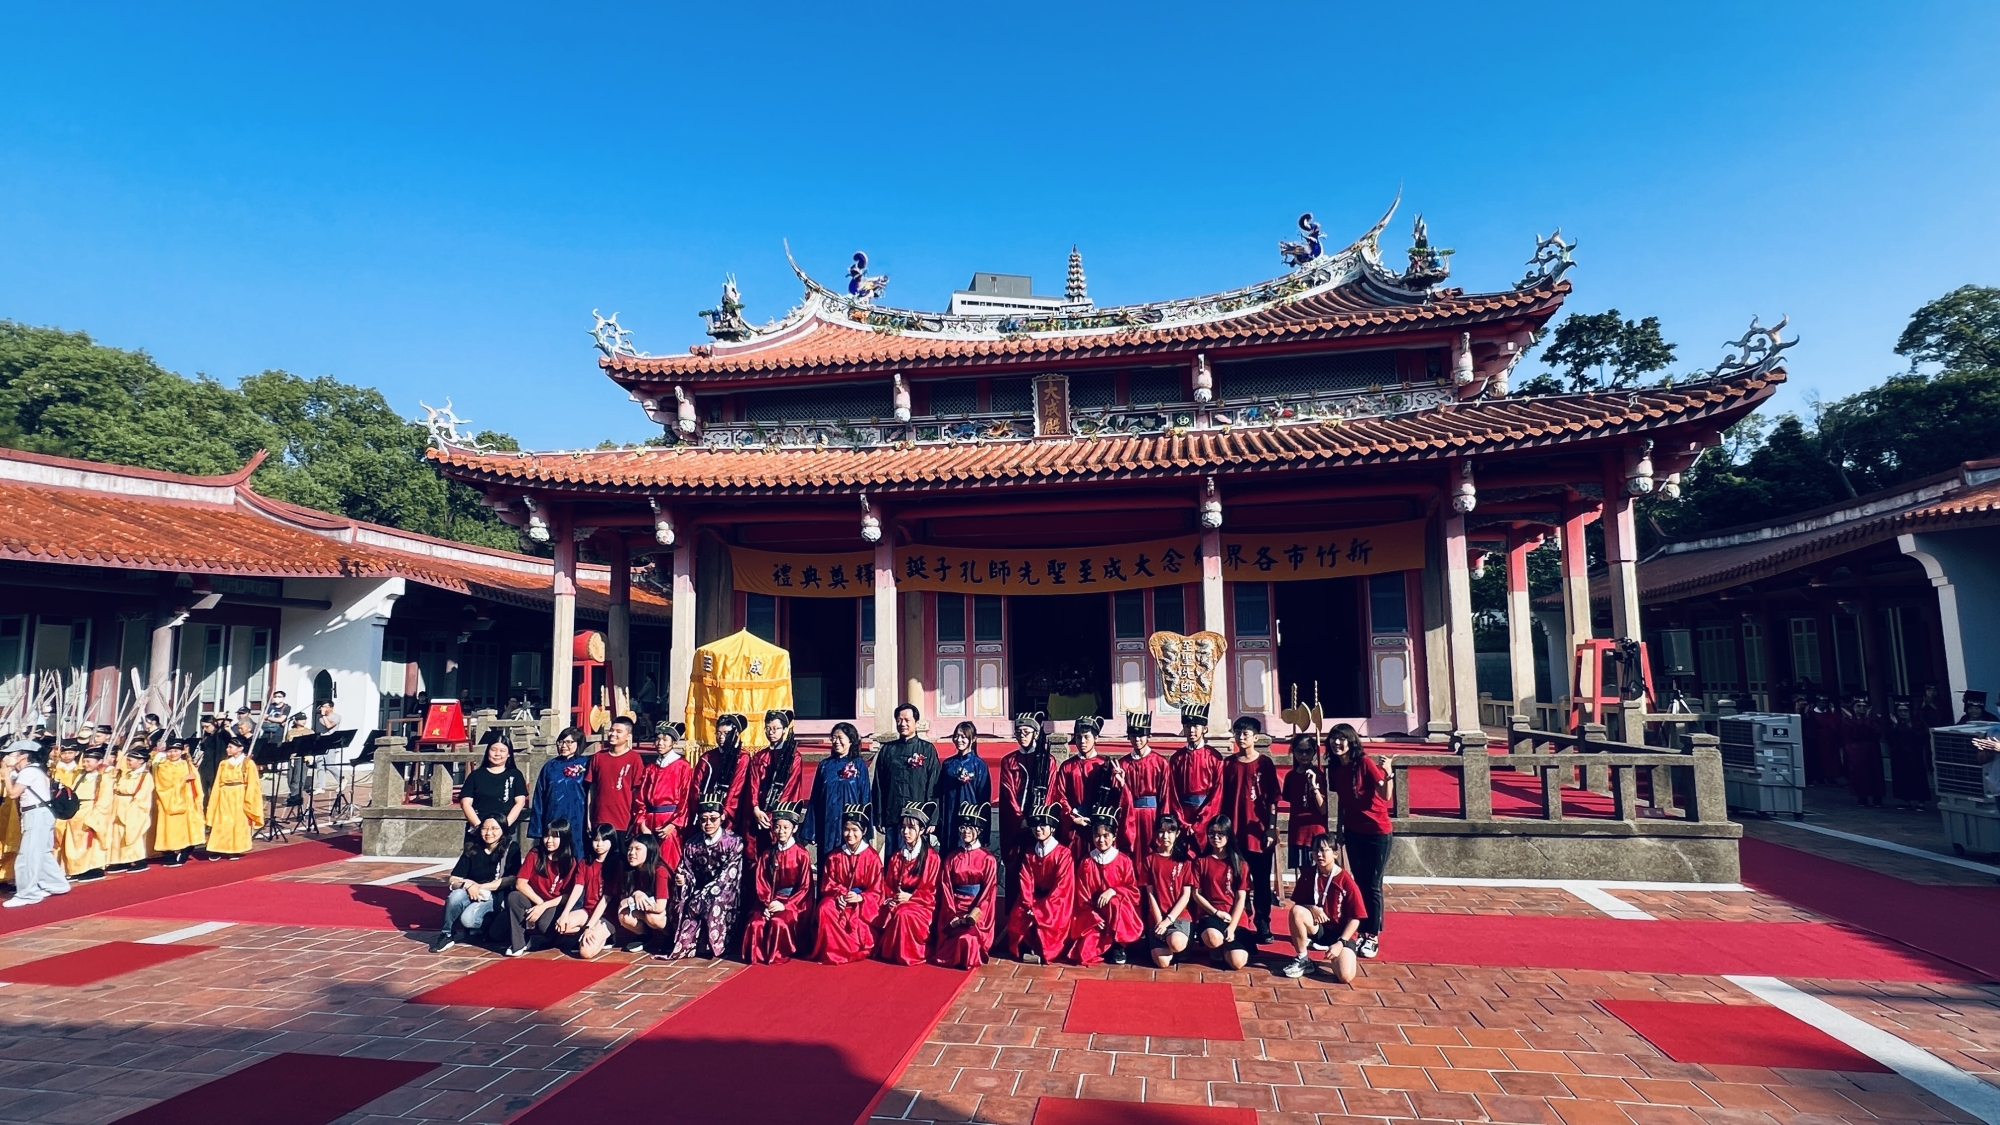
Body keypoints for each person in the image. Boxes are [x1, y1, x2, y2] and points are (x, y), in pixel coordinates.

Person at [1325, 722, 1391, 960]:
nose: (1337, 743)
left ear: (1351, 741)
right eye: (1333, 739)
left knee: (1372, 884)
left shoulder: (1365, 763)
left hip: (1377, 831)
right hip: (1352, 831)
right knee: (1358, 883)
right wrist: (1339, 830)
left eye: (1342, 739)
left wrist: (1389, 772)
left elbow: (1385, 795)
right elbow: (1342, 801)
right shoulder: (1335, 768)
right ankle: (1360, 929)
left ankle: (1372, 935)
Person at [1220, 716, 1280, 943]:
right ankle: (1242, 921)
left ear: (1256, 737)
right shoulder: (1228, 764)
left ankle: (1263, 924)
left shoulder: (1265, 764)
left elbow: (1273, 799)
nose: (1241, 737)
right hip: (1234, 833)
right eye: (1237, 733)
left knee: (1261, 880)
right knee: (1237, 879)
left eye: (1245, 734)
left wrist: (1271, 828)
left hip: (1258, 833)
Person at [667, 793, 745, 959]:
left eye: (713, 819)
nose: (708, 823)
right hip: (698, 889)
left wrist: (704, 895)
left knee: (714, 902)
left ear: (722, 818)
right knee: (683, 902)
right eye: (703, 820)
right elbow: (686, 869)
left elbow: (729, 877)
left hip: (725, 891)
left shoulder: (734, 842)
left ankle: (717, 945)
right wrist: (683, 879)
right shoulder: (692, 843)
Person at [1282, 833, 1366, 982]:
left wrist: (1341, 943)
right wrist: (1312, 908)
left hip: (1341, 934)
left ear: (1335, 853)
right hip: (1319, 928)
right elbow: (1298, 905)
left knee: (1345, 976)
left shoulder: (1346, 881)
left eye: (1323, 850)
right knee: (1297, 912)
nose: (1319, 855)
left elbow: (1356, 918)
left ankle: (1342, 954)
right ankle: (1303, 959)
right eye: (1315, 851)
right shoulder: (1308, 874)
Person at [1066, 809, 1144, 966]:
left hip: (1119, 913)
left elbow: (1134, 892)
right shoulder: (1087, 862)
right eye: (1097, 835)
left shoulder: (1123, 861)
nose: (1101, 840)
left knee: (1115, 902)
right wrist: (1093, 917)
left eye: (1106, 835)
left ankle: (1118, 945)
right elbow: (1082, 896)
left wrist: (1114, 890)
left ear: (1114, 836)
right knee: (1083, 954)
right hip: (1095, 915)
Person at [741, 802, 814, 965]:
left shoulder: (801, 854)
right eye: (777, 827)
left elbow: (805, 887)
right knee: (756, 923)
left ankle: (777, 955)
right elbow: (761, 882)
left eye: (786, 828)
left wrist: (785, 905)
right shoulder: (767, 854)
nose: (781, 831)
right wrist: (767, 904)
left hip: (792, 902)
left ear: (794, 829)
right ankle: (758, 956)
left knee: (778, 922)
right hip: (769, 900)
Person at [1002, 803, 1074, 965]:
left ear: (1052, 828)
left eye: (1043, 826)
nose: (1038, 829)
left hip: (1055, 901)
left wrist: (1040, 909)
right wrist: (1029, 904)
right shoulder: (1029, 853)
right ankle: (1026, 946)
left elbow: (1062, 887)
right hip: (1032, 898)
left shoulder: (1063, 854)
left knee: (1049, 920)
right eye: (1035, 826)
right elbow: (1025, 880)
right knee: (1019, 915)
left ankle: (1042, 949)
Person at [812, 805, 885, 964]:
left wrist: (861, 897)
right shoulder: (835, 856)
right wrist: (840, 894)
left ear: (864, 831)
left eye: (854, 830)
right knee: (825, 908)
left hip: (861, 905)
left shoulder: (872, 858)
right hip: (839, 898)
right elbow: (828, 883)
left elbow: (877, 890)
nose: (850, 834)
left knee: (855, 919)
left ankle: (850, 949)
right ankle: (831, 951)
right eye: (846, 829)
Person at [432, 817, 518, 952]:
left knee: (468, 920)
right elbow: (453, 878)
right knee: (455, 896)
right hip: (471, 891)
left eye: (494, 829)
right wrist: (467, 886)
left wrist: (479, 887)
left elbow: (512, 878)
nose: (489, 833)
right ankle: (447, 934)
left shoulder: (511, 848)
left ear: (503, 830)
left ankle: (486, 924)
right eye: (485, 828)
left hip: (495, 894)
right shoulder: (472, 848)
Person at [933, 802, 1000, 970]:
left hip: (976, 911)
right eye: (962, 827)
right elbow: (946, 888)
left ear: (979, 830)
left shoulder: (987, 859)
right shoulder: (952, 858)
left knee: (968, 937)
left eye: (970, 828)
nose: (966, 831)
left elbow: (988, 892)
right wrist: (952, 914)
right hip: (954, 909)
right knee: (954, 935)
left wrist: (974, 914)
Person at [2, 741, 69, 908]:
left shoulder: (29, 771)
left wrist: (5, 774)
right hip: (40, 813)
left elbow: (13, 793)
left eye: (12, 753)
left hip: (36, 813)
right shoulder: (33, 770)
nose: (8, 757)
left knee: (28, 855)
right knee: (43, 852)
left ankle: (28, 894)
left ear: (24, 755)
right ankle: (56, 884)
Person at [877, 800, 942, 966]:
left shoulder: (931, 858)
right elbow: (887, 884)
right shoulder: (897, 856)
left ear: (921, 830)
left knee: (903, 914)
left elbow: (931, 891)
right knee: (887, 910)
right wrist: (892, 897)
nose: (906, 832)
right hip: (899, 900)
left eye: (911, 828)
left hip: (922, 905)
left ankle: (907, 954)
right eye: (903, 827)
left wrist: (910, 898)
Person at [740, 710, 809, 860]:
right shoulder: (759, 756)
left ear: (784, 730)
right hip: (759, 812)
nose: (771, 732)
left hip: (779, 813)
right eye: (768, 728)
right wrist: (756, 808)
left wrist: (774, 814)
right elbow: (753, 784)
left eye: (776, 728)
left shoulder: (794, 757)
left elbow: (790, 787)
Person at [506, 819, 576, 956]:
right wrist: (539, 904)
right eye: (546, 836)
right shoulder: (535, 854)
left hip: (554, 904)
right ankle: (519, 943)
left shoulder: (570, 861)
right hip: (533, 899)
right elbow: (520, 883)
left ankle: (555, 938)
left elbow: (567, 896)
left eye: (554, 837)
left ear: (564, 838)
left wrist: (544, 906)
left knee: (544, 925)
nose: (549, 841)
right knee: (514, 897)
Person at [1191, 815, 1252, 970]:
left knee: (1237, 963)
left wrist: (1232, 926)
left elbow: (1241, 898)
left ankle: (1226, 947)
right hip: (1211, 913)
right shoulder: (1201, 861)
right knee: (1213, 939)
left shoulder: (1240, 864)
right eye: (1212, 833)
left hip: (1234, 915)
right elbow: (1196, 894)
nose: (1215, 838)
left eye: (1220, 834)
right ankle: (1217, 947)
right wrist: (1216, 913)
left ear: (1228, 835)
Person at [805, 722, 871, 865]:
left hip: (850, 824)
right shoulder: (824, 765)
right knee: (827, 862)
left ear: (851, 740)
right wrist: (811, 830)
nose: (836, 742)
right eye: (833, 738)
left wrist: (865, 828)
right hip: (827, 823)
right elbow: (815, 798)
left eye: (840, 738)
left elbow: (865, 798)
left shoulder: (859, 765)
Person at [873, 704, 940, 840]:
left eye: (907, 720)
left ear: (916, 722)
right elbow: (878, 786)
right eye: (899, 720)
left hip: (918, 818)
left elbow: (934, 784)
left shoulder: (927, 749)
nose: (902, 724)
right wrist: (879, 817)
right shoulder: (887, 750)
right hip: (893, 815)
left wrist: (932, 818)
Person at [632, 722, 693, 869]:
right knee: (646, 863)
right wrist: (642, 823)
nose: (660, 743)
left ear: (674, 742)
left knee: (667, 863)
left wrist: (673, 825)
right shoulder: (650, 768)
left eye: (665, 740)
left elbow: (685, 799)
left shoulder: (683, 766)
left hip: (669, 821)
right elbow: (640, 798)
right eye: (658, 739)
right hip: (648, 821)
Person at [1053, 716, 1118, 855]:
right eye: (1078, 737)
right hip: (1073, 826)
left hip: (1098, 826)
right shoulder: (1067, 766)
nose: (1082, 741)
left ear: (1096, 738)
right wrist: (1073, 818)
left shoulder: (1105, 765)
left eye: (1086, 737)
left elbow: (1114, 797)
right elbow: (1060, 795)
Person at [1114, 711, 1172, 857]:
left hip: (1152, 816)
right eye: (1133, 736)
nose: (1137, 739)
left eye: (1141, 735)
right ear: (1128, 737)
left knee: (1151, 854)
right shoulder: (1123, 764)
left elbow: (1165, 796)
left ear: (1148, 736)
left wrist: (1163, 823)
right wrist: (1121, 784)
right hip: (1130, 815)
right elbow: (1116, 797)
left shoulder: (1160, 762)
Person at [997, 711, 1053, 863]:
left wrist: (1039, 816)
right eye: (1018, 733)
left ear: (1036, 734)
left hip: (1039, 817)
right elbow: (1008, 791)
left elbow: (1050, 791)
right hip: (1016, 818)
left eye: (1026, 732)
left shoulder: (1048, 760)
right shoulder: (1009, 761)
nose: (1022, 736)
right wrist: (1019, 818)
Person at [1142, 813, 1194, 970]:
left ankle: (1182, 943)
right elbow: (1150, 893)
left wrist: (1168, 921)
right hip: (1157, 917)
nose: (1165, 836)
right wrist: (1159, 921)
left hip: (1178, 916)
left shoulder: (1184, 861)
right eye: (1161, 832)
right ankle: (1164, 945)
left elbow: (1186, 895)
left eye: (1170, 832)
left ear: (1177, 834)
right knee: (1162, 963)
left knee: (1176, 944)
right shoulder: (1149, 860)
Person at [558, 823, 618, 959]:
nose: (599, 844)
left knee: (586, 953)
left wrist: (589, 926)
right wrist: (565, 913)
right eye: (596, 840)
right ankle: (587, 936)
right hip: (587, 911)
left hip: (607, 916)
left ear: (612, 841)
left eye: (604, 840)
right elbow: (578, 887)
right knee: (562, 926)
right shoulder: (585, 862)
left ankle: (608, 935)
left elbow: (606, 899)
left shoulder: (616, 864)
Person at [1170, 704, 1225, 839]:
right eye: (1187, 726)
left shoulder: (1214, 757)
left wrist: (1202, 821)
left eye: (1195, 726)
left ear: (1205, 729)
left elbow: (1217, 793)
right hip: (1182, 815)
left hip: (1206, 816)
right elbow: (1171, 792)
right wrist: (1181, 820)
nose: (1191, 730)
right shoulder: (1177, 758)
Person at [460, 730, 529, 839]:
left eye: (502, 751)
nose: (497, 754)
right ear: (488, 751)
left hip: (505, 830)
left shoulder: (515, 775)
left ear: (509, 754)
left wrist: (503, 827)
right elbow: (465, 803)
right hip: (478, 829)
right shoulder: (475, 775)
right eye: (493, 750)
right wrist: (480, 827)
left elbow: (520, 803)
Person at [934, 722, 992, 851]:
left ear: (973, 739)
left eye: (963, 737)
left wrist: (983, 827)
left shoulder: (979, 765)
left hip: (970, 816)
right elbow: (940, 793)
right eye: (956, 736)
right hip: (949, 815)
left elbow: (984, 798)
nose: (959, 740)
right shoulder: (948, 764)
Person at [611, 833, 672, 953]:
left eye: (637, 849)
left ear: (649, 851)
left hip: (668, 912)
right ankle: (645, 935)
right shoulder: (628, 870)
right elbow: (623, 899)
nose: (632, 853)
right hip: (646, 907)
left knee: (652, 917)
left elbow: (660, 907)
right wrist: (635, 895)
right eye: (630, 849)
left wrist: (635, 899)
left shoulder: (660, 871)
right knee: (624, 915)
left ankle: (671, 935)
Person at [203, 736, 261, 860]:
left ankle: (235, 848)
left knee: (238, 822)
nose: (227, 749)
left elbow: (253, 783)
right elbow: (218, 782)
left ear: (240, 748)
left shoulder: (247, 763)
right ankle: (218, 847)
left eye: (230, 747)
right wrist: (215, 797)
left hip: (239, 794)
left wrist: (249, 799)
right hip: (225, 794)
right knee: (222, 821)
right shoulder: (223, 763)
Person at [1281, 734, 1330, 880]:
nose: (1304, 755)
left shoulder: (1318, 775)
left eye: (1308, 751)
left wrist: (1314, 786)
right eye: (1299, 751)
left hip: (1315, 831)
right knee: (1304, 874)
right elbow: (1289, 798)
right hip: (1297, 830)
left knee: (1318, 872)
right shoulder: (1290, 776)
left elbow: (1323, 809)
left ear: (1314, 752)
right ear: (1293, 751)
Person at [150, 739, 205, 866]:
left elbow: (196, 782)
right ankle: (169, 853)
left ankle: (186, 850)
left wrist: (197, 798)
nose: (173, 754)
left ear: (181, 751)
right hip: (169, 802)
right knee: (170, 827)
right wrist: (183, 779)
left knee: (188, 827)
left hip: (188, 801)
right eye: (170, 751)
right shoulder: (163, 766)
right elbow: (163, 785)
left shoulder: (187, 765)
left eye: (176, 751)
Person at [530, 727, 590, 839]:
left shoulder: (586, 764)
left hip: (579, 817)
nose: (563, 746)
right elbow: (539, 797)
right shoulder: (550, 766)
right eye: (561, 742)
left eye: (569, 742)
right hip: (553, 815)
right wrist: (537, 828)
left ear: (578, 743)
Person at [587, 717, 643, 835]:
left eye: (619, 731)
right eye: (611, 730)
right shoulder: (598, 757)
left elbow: (637, 792)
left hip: (623, 820)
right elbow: (592, 789)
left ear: (628, 736)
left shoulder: (634, 758)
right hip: (600, 817)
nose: (613, 734)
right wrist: (588, 817)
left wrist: (636, 819)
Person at [692, 713, 750, 825]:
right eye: (718, 733)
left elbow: (735, 788)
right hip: (705, 808)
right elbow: (696, 784)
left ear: (736, 734)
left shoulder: (742, 757)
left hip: (730, 811)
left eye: (726, 733)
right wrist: (700, 806)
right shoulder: (707, 757)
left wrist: (724, 811)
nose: (721, 737)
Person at [107, 745, 156, 872]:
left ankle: (139, 860)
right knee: (118, 834)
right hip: (119, 805)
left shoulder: (145, 776)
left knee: (133, 833)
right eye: (127, 760)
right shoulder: (127, 774)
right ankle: (121, 860)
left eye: (130, 760)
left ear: (141, 761)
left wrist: (133, 808)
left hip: (133, 807)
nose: (128, 763)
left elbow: (143, 794)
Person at [1886, 698, 1931, 810]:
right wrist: (1895, 727)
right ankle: (1906, 800)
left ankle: (1921, 802)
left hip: (1914, 755)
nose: (1903, 713)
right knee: (1902, 777)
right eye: (1900, 711)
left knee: (1918, 777)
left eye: (1905, 710)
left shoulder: (1917, 722)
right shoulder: (1894, 723)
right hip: (1900, 755)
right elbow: (1889, 738)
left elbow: (1921, 737)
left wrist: (1910, 728)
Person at [1841, 696, 1886, 807]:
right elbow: (1851, 734)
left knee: (1875, 773)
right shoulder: (1849, 720)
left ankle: (1877, 797)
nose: (1862, 708)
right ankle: (1862, 797)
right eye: (1859, 706)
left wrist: (1867, 719)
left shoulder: (1873, 719)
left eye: (1864, 706)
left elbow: (1877, 732)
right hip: (1857, 750)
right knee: (1859, 773)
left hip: (1872, 750)